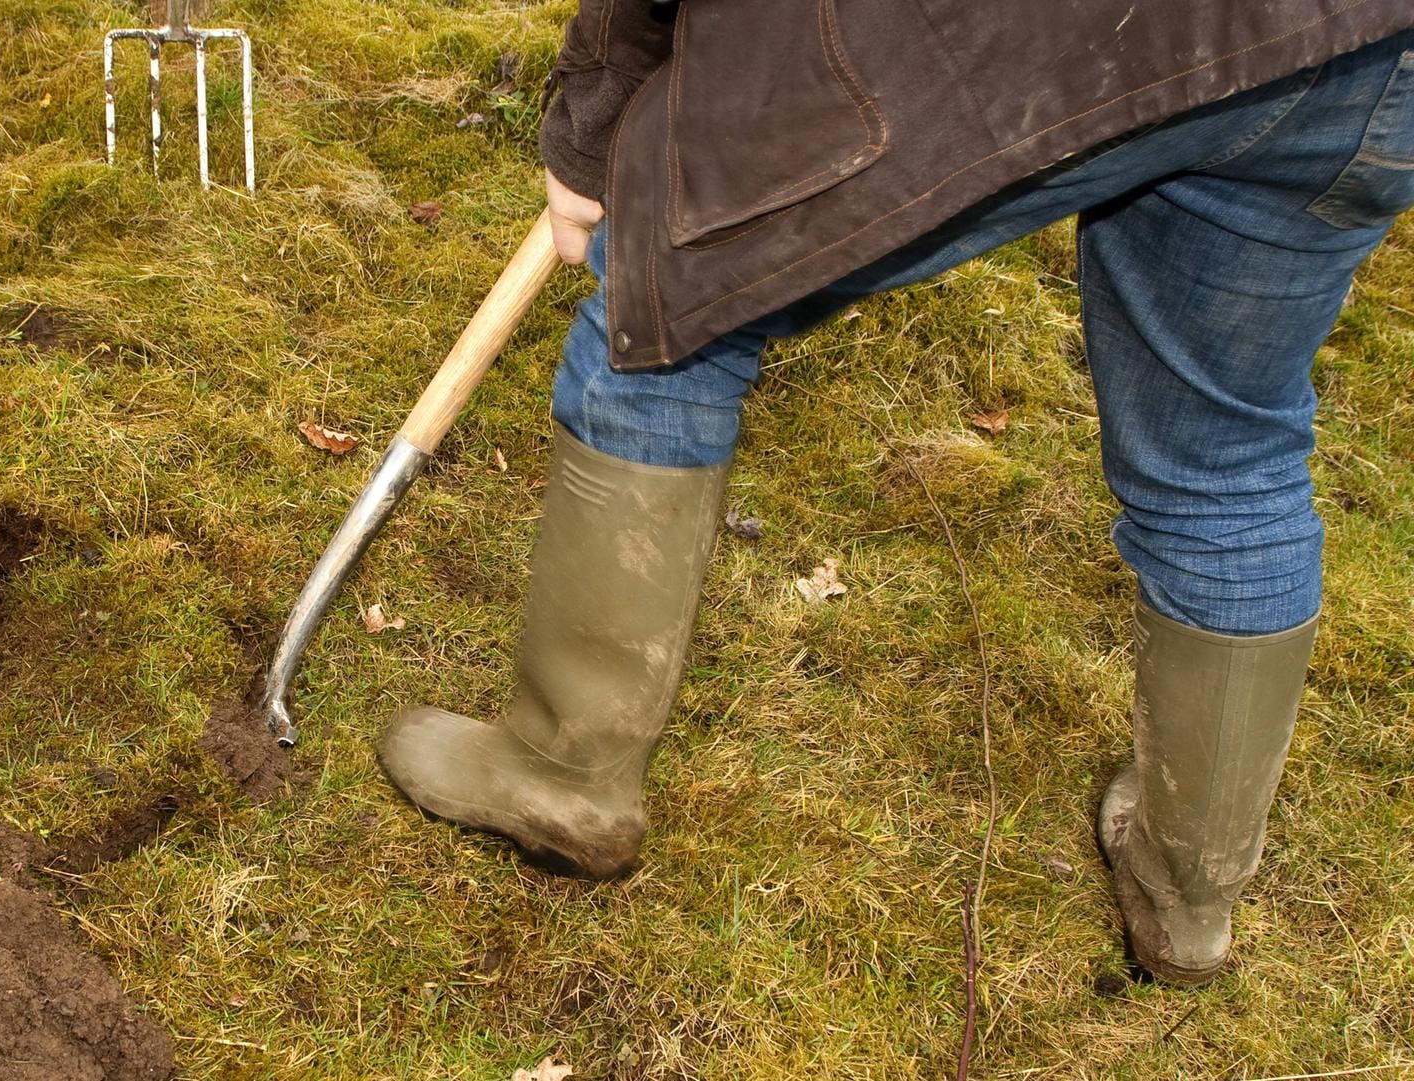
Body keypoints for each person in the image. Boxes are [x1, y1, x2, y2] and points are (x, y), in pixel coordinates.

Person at [377, 0, 1414, 989]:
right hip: (1361, 49)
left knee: (664, 312)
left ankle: (563, 778)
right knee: (1222, 450)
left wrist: (595, 126)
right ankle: (1190, 900)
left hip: (1068, 36)